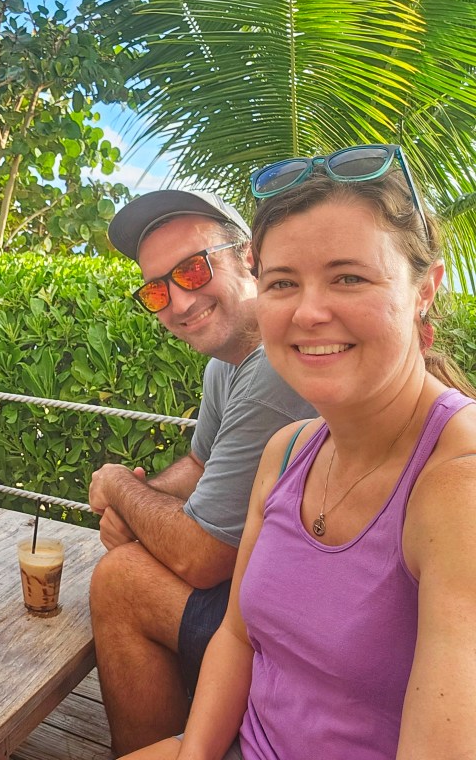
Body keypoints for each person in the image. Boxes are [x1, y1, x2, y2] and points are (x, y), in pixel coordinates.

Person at [124, 144, 476, 760]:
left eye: (349, 277)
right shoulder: (288, 453)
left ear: (425, 289)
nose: (310, 312)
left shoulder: (457, 486)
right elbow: (237, 635)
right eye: (284, 282)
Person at [89, 191, 315, 754]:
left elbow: (203, 554)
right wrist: (140, 506)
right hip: (276, 595)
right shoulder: (229, 360)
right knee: (132, 558)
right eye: (157, 289)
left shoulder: (275, 367)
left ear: (248, 257)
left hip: (303, 633)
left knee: (121, 581)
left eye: (193, 268)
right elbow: (199, 463)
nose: (180, 301)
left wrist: (120, 487)